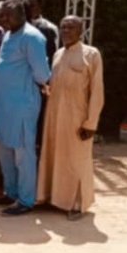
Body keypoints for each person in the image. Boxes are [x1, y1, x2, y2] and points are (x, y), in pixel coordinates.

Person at [37, 16, 104, 220]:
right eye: (63, 27)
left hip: (77, 117)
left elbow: (97, 91)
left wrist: (91, 123)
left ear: (81, 30)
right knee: (54, 156)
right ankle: (53, 198)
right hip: (54, 115)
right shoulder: (57, 54)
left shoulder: (91, 55)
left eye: (71, 27)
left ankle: (77, 204)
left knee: (77, 159)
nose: (66, 31)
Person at [0, 0, 51, 216]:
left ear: (22, 15)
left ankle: (26, 199)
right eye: (3, 14)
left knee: (23, 154)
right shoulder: (8, 34)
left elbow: (42, 74)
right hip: (3, 107)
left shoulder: (32, 37)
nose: (3, 18)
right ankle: (11, 191)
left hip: (22, 106)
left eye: (8, 15)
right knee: (4, 150)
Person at [24, 0, 59, 67]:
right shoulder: (17, 26)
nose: (29, 9)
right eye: (26, 6)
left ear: (40, 7)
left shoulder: (49, 28)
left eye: (32, 5)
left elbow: (53, 54)